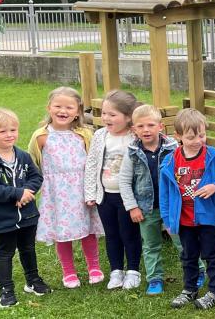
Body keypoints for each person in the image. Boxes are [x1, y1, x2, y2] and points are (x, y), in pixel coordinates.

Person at [28, 87, 102, 290]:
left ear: (77, 111)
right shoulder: (41, 137)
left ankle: (94, 267)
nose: (63, 111)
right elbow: (32, 164)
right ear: (49, 108)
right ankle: (68, 271)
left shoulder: (85, 134)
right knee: (63, 232)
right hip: (56, 193)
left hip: (81, 190)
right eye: (58, 106)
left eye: (69, 107)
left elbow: (94, 162)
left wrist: (94, 189)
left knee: (88, 230)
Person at [0, 108, 49, 308]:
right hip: (2, 217)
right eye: (2, 131)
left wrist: (26, 192)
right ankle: (6, 290)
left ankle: (32, 281)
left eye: (13, 130)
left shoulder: (23, 156)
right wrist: (16, 194)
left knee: (28, 248)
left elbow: (36, 177)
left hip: (28, 214)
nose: (9, 135)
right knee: (5, 252)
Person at [160, 108, 215, 309]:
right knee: (188, 255)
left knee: (211, 255)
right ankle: (189, 289)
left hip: (207, 217)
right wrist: (167, 220)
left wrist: (214, 186)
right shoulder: (170, 160)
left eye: (202, 135)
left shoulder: (213, 156)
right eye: (191, 137)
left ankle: (214, 291)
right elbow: (164, 194)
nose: (198, 140)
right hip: (183, 219)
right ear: (178, 136)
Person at [118, 105, 186, 296]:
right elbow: (124, 181)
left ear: (160, 126)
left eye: (150, 125)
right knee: (150, 245)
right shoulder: (132, 152)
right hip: (146, 208)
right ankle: (155, 279)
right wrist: (132, 207)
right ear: (134, 129)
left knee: (182, 241)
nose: (146, 130)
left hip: (172, 206)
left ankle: (195, 271)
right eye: (140, 126)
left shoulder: (174, 148)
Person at [82, 90, 141, 290]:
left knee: (129, 234)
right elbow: (91, 164)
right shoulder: (100, 135)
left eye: (112, 114)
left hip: (128, 197)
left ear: (128, 117)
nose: (106, 118)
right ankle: (116, 270)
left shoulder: (135, 137)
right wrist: (90, 193)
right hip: (105, 195)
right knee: (112, 234)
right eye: (104, 113)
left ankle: (133, 270)